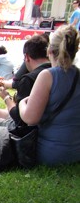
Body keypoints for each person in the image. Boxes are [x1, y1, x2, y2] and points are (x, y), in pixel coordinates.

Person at [18, 25, 80, 166]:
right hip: (76, 151)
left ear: (49, 51)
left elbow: (30, 119)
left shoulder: (48, 75)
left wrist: (22, 103)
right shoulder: (78, 75)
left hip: (49, 153)